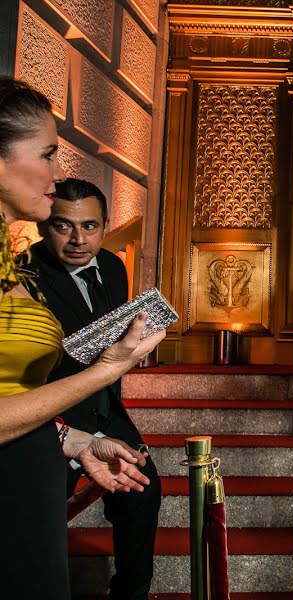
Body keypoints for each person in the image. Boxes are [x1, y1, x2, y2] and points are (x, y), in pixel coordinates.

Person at [0, 78, 164, 599]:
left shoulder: (108, 268)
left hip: (43, 449)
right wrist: (106, 368)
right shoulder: (27, 264)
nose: (56, 172)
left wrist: (74, 442)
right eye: (47, 154)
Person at [27, 177, 161, 600]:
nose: (77, 239)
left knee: (144, 489)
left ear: (105, 226)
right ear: (43, 226)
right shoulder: (23, 275)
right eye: (63, 226)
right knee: (40, 520)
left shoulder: (114, 266)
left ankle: (131, 592)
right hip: (51, 416)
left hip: (105, 407)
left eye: (89, 226)